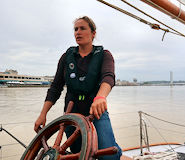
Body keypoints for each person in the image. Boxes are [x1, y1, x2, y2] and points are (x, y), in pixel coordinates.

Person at [34, 16, 122, 160]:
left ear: (93, 33)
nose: (78, 32)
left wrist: (100, 97)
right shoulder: (66, 57)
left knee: (108, 156)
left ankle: (116, 150)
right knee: (80, 155)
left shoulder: (105, 55)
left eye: (82, 28)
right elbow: (55, 88)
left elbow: (108, 77)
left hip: (96, 113)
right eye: (75, 29)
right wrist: (43, 114)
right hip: (71, 116)